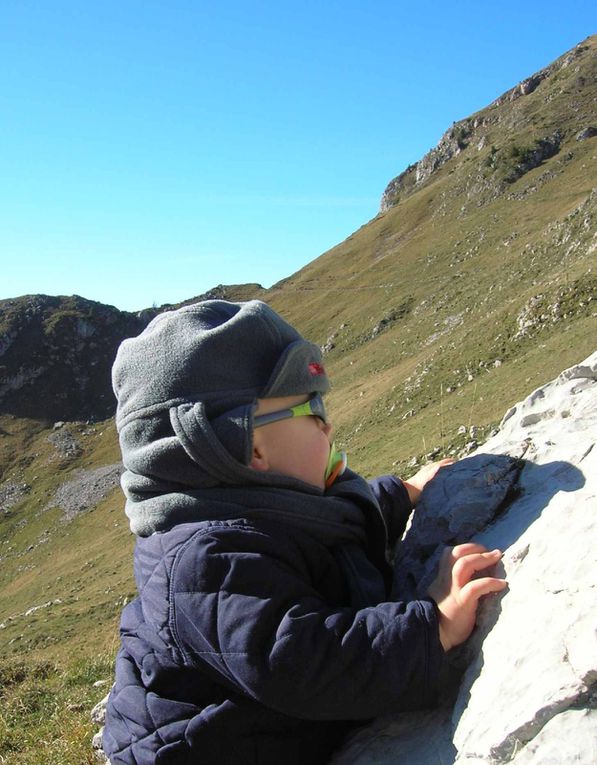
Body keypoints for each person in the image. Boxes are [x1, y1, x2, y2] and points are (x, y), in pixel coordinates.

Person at [103, 299, 506, 765]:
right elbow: (303, 662)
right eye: (311, 408)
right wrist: (430, 629)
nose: (328, 425)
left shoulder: (266, 504)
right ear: (248, 444)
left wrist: (404, 492)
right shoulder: (205, 561)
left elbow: (332, 521)